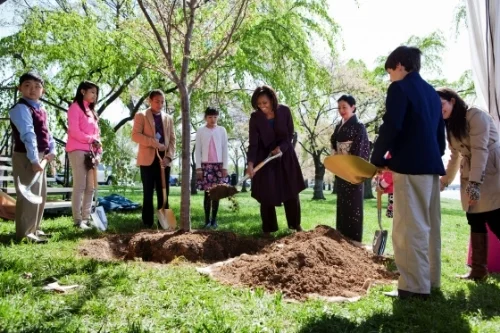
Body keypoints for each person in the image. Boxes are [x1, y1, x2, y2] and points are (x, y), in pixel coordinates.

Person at [371, 46, 446, 300]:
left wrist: (377, 156)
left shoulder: (400, 88)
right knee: (430, 226)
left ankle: (413, 287)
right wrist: (434, 156)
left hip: (410, 167)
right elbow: (440, 137)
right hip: (431, 167)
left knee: (409, 228)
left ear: (400, 65)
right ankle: (431, 280)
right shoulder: (432, 94)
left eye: (390, 71)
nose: (390, 76)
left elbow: (392, 124)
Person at [437, 88, 500, 280]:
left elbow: (481, 149)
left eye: (442, 105)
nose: (440, 110)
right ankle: (478, 270)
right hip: (471, 169)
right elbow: (454, 156)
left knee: (495, 218)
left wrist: (474, 184)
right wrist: (445, 181)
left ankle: (479, 270)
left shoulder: (475, 115)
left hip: (491, 169)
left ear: (453, 101)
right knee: (474, 218)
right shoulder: (450, 125)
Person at [246, 85, 305, 237]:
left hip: (285, 156)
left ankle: (295, 225)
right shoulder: (255, 118)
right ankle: (268, 229)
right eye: (259, 104)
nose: (262, 107)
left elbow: (290, 134)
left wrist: (282, 148)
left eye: (265, 103)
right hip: (265, 158)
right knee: (266, 192)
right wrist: (251, 163)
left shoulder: (284, 111)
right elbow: (253, 143)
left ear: (272, 99)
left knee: (291, 190)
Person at [9, 72, 56, 243]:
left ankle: (35, 228)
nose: (32, 89)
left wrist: (52, 150)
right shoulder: (20, 109)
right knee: (28, 195)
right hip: (26, 156)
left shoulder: (41, 109)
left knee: (39, 193)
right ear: (20, 88)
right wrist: (35, 160)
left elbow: (47, 133)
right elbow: (28, 135)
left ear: (42, 91)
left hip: (41, 155)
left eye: (37, 86)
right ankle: (25, 233)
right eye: (27, 85)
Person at [131, 89, 176, 228]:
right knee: (148, 192)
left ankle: (164, 224)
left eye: (162, 102)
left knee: (164, 192)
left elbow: (173, 140)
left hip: (163, 160)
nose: (160, 104)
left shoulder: (168, 118)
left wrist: (169, 157)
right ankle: (147, 222)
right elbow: (135, 135)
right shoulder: (141, 116)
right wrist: (153, 142)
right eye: (157, 101)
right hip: (148, 159)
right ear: (149, 101)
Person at [330, 95, 370, 242]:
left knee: (353, 206)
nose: (341, 110)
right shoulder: (338, 125)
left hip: (353, 171)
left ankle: (353, 239)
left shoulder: (359, 126)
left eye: (344, 107)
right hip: (341, 169)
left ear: (353, 107)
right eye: (339, 108)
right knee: (342, 205)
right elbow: (334, 142)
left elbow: (361, 149)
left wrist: (352, 167)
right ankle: (340, 236)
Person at [66, 81, 102, 230]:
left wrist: (99, 152)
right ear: (82, 91)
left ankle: (86, 218)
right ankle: (77, 220)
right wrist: (91, 140)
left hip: (91, 152)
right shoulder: (74, 108)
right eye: (92, 92)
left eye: (96, 93)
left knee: (90, 187)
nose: (94, 95)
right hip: (77, 150)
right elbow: (74, 131)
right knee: (80, 186)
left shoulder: (92, 112)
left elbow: (97, 135)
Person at [195, 107, 229, 229]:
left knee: (216, 194)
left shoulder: (222, 130)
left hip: (218, 166)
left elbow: (225, 148)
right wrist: (198, 168)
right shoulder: (201, 131)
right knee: (207, 194)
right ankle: (206, 220)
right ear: (205, 118)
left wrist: (225, 167)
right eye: (210, 117)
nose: (212, 119)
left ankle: (214, 220)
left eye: (215, 117)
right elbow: (197, 150)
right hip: (206, 166)